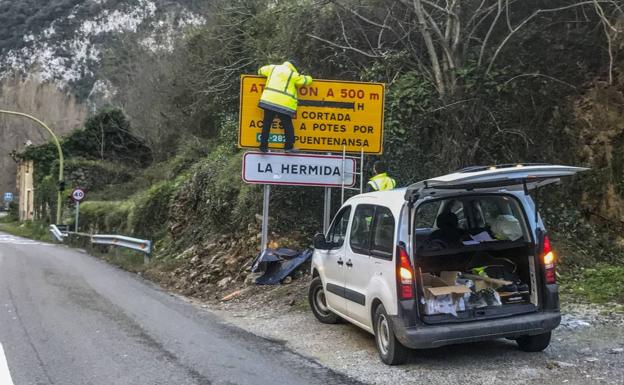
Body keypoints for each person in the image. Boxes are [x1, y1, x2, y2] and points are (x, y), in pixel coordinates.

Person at [257, 60, 313, 152]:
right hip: (283, 104)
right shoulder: (293, 74)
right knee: (287, 125)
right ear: (293, 67)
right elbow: (306, 81)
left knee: (267, 123)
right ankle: (288, 147)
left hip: (268, 101)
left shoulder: (273, 68)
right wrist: (310, 77)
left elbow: (260, 70)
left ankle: (263, 147)